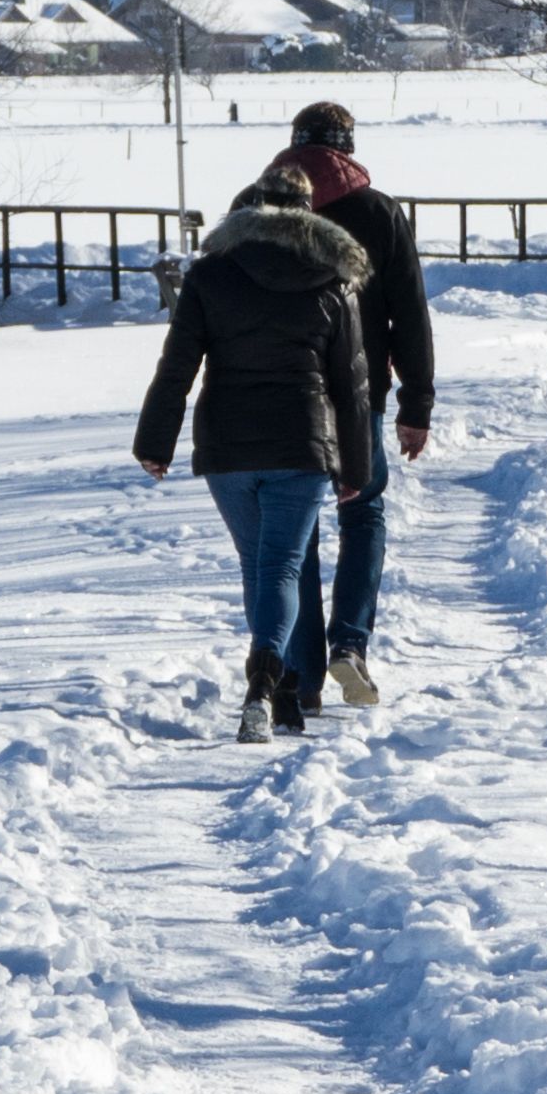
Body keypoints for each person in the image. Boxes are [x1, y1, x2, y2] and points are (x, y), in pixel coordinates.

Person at [130, 156, 378, 737]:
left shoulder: (211, 274)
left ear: (250, 205)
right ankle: (267, 683)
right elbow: (352, 381)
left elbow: (177, 367)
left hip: (229, 446)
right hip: (300, 442)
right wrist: (356, 467)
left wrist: (155, 441)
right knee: (282, 567)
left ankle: (283, 687)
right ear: (306, 213)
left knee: (259, 567)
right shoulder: (334, 280)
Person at [283, 99, 438, 702]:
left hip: (284, 393)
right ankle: (350, 643)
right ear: (348, 148)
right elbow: (410, 313)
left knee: (297, 529)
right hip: (360, 390)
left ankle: (300, 673)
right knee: (363, 511)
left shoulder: (260, 207)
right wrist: (416, 405)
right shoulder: (377, 211)